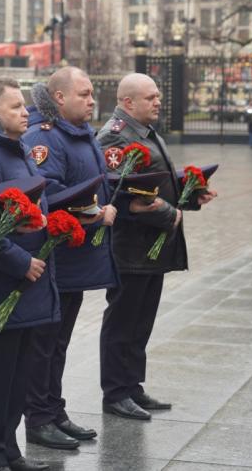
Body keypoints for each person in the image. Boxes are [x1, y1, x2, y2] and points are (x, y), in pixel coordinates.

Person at [96, 73, 217, 420]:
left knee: (140, 322)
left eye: (158, 96)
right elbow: (120, 193)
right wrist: (168, 214)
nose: (158, 101)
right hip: (129, 249)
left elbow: (156, 184)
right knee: (123, 321)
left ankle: (132, 386)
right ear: (128, 102)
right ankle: (115, 393)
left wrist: (190, 194)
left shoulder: (145, 132)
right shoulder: (114, 138)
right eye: (150, 97)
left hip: (150, 249)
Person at [21, 67, 118, 449]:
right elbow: (50, 193)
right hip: (56, 258)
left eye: (93, 93)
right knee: (44, 344)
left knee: (58, 344)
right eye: (84, 93)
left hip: (77, 259)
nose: (92, 100)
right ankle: (38, 417)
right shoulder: (45, 138)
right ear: (59, 98)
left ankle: (54, 410)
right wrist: (95, 214)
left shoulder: (81, 134)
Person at [0, 78, 59, 471]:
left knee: (19, 371)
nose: (26, 113)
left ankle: (9, 450)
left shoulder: (16, 147)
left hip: (30, 278)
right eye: (16, 107)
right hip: (6, 281)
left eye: (24, 106)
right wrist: (20, 262)